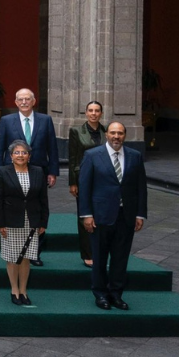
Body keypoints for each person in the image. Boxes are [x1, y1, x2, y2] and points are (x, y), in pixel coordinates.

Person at [78, 121, 147, 310]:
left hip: (126, 217)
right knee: (99, 258)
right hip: (100, 217)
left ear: (125, 135)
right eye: (113, 133)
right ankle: (100, 294)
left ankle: (116, 294)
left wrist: (140, 214)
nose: (116, 136)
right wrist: (86, 214)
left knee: (120, 258)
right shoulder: (92, 155)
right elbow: (85, 188)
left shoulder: (135, 156)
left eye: (120, 133)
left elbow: (141, 187)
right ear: (106, 134)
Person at [0, 88, 59, 266]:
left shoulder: (46, 120)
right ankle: (14, 249)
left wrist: (52, 171)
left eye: (27, 99)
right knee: (15, 208)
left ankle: (35, 252)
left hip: (39, 172)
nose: (24, 102)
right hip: (11, 173)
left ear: (33, 101)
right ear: (15, 102)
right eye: (20, 99)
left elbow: (52, 147)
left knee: (37, 208)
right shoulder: (6, 121)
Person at [0, 140, 48, 307]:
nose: (20, 155)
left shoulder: (38, 172)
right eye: (17, 153)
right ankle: (14, 289)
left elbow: (43, 199)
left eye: (24, 153)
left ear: (29, 156)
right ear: (11, 156)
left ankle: (23, 290)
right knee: (12, 257)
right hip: (10, 221)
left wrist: (43, 222)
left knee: (26, 258)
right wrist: (0, 223)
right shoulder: (3, 172)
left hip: (31, 221)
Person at [67, 101, 106, 268]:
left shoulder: (107, 131)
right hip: (83, 178)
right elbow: (73, 158)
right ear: (85, 113)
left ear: (101, 113)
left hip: (104, 180)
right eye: (90, 110)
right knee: (84, 216)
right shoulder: (76, 131)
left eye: (97, 111)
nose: (94, 113)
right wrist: (73, 183)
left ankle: (100, 252)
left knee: (102, 216)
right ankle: (87, 253)